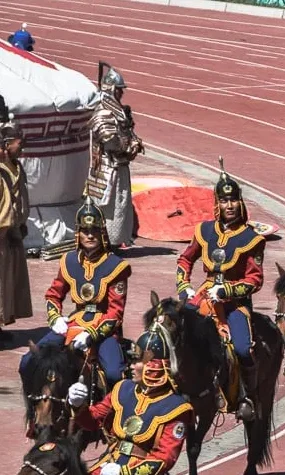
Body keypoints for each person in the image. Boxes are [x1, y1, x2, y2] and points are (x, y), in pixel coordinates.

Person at [175, 162, 265, 420]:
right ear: (217, 203)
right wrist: (184, 287)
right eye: (224, 200)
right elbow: (185, 260)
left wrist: (227, 291)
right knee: (175, 332)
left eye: (233, 200)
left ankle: (248, 395)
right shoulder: (204, 230)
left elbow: (254, 280)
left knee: (242, 348)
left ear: (241, 203)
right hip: (203, 295)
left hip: (234, 302)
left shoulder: (252, 239)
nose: (229, 206)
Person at [19, 197, 131, 388]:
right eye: (85, 231)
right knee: (28, 361)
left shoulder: (116, 266)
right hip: (73, 322)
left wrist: (91, 335)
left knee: (113, 375)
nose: (90, 235)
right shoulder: (69, 261)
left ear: (102, 232)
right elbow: (53, 295)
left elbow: (115, 314)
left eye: (94, 230)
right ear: (78, 233)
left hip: (103, 329)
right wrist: (55, 318)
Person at [66, 328, 196, 475]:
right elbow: (92, 421)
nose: (131, 366)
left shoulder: (177, 408)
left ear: (153, 366)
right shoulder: (122, 388)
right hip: (112, 461)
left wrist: (125, 472)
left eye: (137, 361)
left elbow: (165, 458)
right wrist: (77, 405)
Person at [86, 63, 144, 248]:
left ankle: (115, 242)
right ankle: (104, 243)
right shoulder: (103, 110)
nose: (120, 94)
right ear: (110, 89)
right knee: (106, 208)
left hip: (119, 168)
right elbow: (109, 140)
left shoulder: (119, 112)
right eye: (118, 90)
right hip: (106, 169)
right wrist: (127, 148)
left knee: (120, 208)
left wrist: (135, 143)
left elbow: (128, 133)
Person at [0, 110, 31, 338]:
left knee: (7, 284)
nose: (22, 148)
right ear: (7, 144)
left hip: (12, 234)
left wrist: (21, 223)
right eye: (19, 143)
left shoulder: (18, 168)